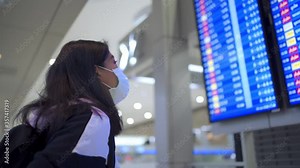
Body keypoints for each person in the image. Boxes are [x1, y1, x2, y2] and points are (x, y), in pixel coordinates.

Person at [15, 40, 129, 167]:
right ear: (97, 71)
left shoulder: (49, 116)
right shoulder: (92, 118)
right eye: (114, 63)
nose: (118, 71)